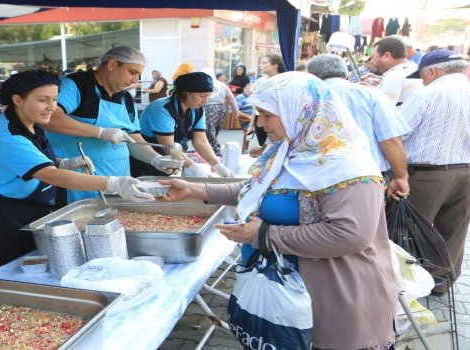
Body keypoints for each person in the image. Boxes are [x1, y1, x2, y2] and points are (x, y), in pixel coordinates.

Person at [159, 72, 397, 349]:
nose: (259, 122)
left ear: (299, 111)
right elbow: (255, 189)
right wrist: (194, 189)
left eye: (267, 114)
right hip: (285, 295)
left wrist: (264, 234)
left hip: (331, 299)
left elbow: (350, 235)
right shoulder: (291, 151)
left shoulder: (348, 167)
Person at [0, 70, 154, 274]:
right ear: (18, 99)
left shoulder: (30, 122)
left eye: (54, 99)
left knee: (32, 275)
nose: (51, 107)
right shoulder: (7, 134)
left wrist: (64, 162)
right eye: (43, 100)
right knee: (2, 279)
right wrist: (114, 183)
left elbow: (33, 160)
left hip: (25, 210)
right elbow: (51, 175)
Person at [42, 46, 171, 203]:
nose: (135, 80)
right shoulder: (77, 84)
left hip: (120, 185)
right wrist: (99, 132)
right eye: (132, 72)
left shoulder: (126, 99)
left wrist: (156, 159)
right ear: (112, 65)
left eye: (138, 74)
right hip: (77, 182)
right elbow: (51, 118)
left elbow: (133, 138)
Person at [401, 50, 470, 293]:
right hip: (466, 172)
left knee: (408, 228)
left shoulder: (427, 94)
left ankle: (405, 283)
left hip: (427, 174)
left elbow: (396, 132)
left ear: (432, 71)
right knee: (454, 228)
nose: (422, 80)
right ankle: (440, 282)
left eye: (422, 75)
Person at [307, 54, 412, 200]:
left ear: (311, 75)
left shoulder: (305, 98)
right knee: (369, 221)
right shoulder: (372, 94)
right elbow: (391, 139)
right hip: (368, 178)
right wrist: (401, 177)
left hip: (317, 178)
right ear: (346, 74)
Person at [133, 72, 234, 178]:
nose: (205, 101)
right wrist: (194, 168)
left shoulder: (197, 110)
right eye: (202, 96)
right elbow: (168, 147)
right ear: (185, 93)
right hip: (149, 159)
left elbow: (201, 142)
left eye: (208, 96)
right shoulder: (162, 108)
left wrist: (217, 165)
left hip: (174, 159)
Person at [369, 36, 423, 106]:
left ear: (386, 56)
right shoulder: (414, 67)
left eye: (373, 57)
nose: (371, 61)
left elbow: (381, 110)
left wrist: (366, 91)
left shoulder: (393, 76)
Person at [252, 53, 286, 156]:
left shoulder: (285, 80)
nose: (260, 65)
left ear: (275, 65)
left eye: (264, 63)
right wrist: (251, 123)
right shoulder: (260, 81)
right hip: (259, 116)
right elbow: (255, 104)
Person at [201, 68, 239, 156]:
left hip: (208, 108)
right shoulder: (222, 84)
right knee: (215, 130)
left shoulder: (203, 84)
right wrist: (235, 109)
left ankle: (216, 150)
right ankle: (211, 149)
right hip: (221, 108)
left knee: (209, 131)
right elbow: (231, 98)